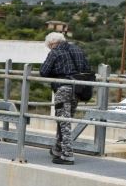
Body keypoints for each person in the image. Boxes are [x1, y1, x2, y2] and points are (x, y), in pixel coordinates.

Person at [38, 32, 91, 165]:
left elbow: (43, 71)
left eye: (49, 46)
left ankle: (67, 155)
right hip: (78, 89)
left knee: (64, 122)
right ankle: (58, 148)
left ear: (52, 43)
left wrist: (56, 73)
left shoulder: (55, 52)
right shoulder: (78, 49)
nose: (50, 49)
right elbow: (87, 69)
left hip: (63, 89)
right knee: (65, 121)